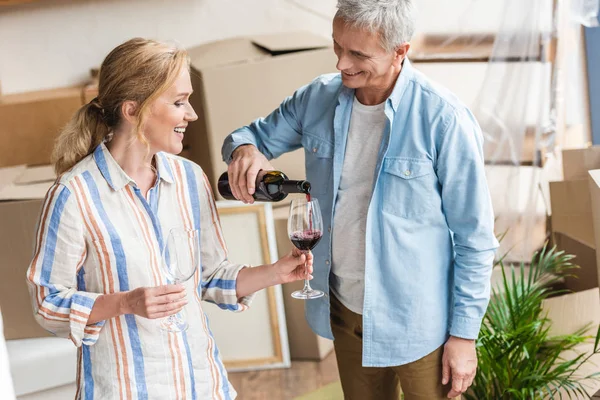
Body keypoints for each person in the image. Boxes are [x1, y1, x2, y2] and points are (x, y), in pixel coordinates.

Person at [222, 0, 499, 398]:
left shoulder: (443, 119)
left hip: (420, 323)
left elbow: (475, 238)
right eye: (337, 47)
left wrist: (464, 337)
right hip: (344, 310)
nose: (341, 64)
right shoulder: (316, 98)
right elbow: (248, 136)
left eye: (358, 54)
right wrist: (244, 151)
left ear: (400, 51)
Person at [26, 37, 313, 399]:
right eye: (179, 102)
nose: (191, 114)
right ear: (133, 110)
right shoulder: (74, 195)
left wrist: (275, 272)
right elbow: (46, 303)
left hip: (202, 385)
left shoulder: (189, 179)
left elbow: (208, 277)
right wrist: (125, 303)